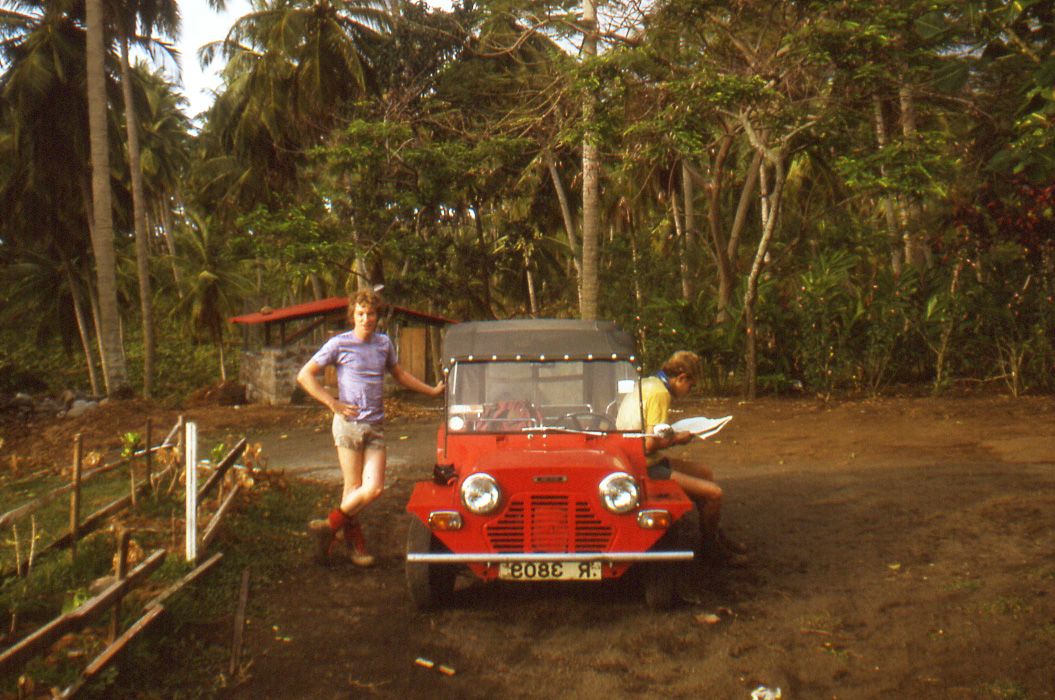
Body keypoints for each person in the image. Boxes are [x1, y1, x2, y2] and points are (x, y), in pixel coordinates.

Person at [297, 291, 444, 566]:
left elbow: (400, 375)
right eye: (360, 313)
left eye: (371, 313)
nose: (366, 319)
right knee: (353, 487)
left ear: (378, 316)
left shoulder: (383, 344)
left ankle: (328, 527)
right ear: (353, 315)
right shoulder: (339, 344)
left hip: (375, 426)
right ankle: (354, 546)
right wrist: (332, 402)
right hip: (349, 426)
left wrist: (432, 391)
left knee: (373, 488)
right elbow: (305, 375)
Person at [616, 350, 747, 564]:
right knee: (714, 494)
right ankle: (710, 549)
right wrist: (679, 438)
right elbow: (651, 443)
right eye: (691, 385)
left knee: (704, 473)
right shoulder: (660, 394)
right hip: (642, 463)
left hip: (632, 454)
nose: (689, 391)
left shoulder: (649, 382)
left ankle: (715, 536)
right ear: (681, 377)